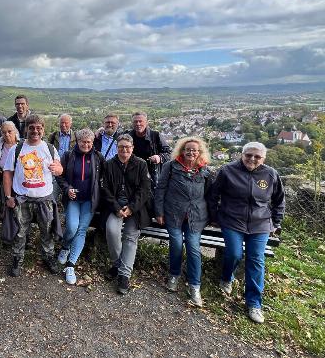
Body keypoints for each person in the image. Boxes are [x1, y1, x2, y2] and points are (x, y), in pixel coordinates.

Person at [208, 141, 285, 324]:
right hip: (232, 220)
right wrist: (216, 217)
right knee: (234, 253)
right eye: (248, 155)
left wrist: (276, 222)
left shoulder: (270, 174)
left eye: (257, 156)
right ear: (241, 155)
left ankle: (254, 303)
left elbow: (279, 200)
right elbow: (213, 195)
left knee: (256, 259)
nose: (252, 159)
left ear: (263, 158)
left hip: (260, 224)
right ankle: (227, 277)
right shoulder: (227, 171)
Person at [154, 136, 212, 307]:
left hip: (196, 217)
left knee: (193, 247)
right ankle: (174, 274)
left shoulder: (205, 171)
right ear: (182, 151)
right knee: (177, 243)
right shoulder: (170, 167)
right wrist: (159, 211)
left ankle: (195, 286)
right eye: (188, 150)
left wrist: (212, 217)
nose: (191, 152)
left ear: (199, 152)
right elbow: (160, 189)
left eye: (195, 150)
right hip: (173, 214)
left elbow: (209, 195)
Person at [3, 114, 63, 277]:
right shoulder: (16, 149)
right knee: (20, 232)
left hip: (44, 199)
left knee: (47, 231)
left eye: (39, 128)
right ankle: (17, 259)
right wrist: (8, 197)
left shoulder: (50, 149)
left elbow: (59, 169)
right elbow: (7, 173)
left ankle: (48, 257)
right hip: (22, 199)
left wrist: (58, 170)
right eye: (32, 128)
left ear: (43, 130)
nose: (35, 131)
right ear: (26, 129)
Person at [103, 134, 152, 294]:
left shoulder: (141, 164)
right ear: (117, 148)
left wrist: (131, 208)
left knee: (130, 236)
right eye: (121, 147)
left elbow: (145, 190)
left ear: (132, 148)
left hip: (135, 209)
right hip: (115, 207)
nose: (124, 150)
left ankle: (124, 275)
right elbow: (105, 189)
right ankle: (118, 264)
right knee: (111, 229)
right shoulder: (109, 164)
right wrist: (117, 207)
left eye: (127, 147)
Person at [55, 128, 104, 284]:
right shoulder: (68, 156)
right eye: (83, 141)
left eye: (89, 142)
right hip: (73, 200)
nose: (86, 144)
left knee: (81, 230)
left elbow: (104, 176)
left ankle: (71, 265)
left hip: (89, 200)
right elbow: (60, 176)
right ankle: (65, 246)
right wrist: (67, 189)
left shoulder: (97, 157)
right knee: (71, 227)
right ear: (78, 142)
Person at [127, 112, 172, 188]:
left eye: (140, 121)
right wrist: (100, 131)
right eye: (135, 121)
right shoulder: (128, 136)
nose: (138, 124)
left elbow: (169, 153)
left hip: (152, 177)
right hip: (133, 177)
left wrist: (159, 157)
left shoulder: (155, 136)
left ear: (146, 122)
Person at [0, 121, 20, 219]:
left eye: (9, 131)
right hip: (2, 181)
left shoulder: (22, 145)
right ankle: (7, 226)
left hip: (19, 182)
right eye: (4, 132)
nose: (7, 134)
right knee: (5, 204)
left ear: (15, 131)